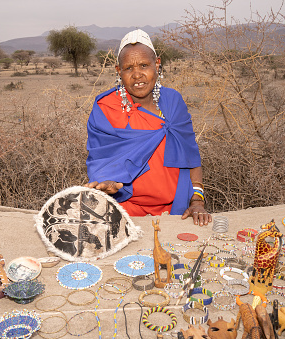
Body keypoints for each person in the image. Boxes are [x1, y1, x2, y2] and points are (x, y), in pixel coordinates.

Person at [85, 29, 212, 226]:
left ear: (157, 64)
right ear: (119, 71)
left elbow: (190, 155)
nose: (137, 75)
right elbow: (100, 159)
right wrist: (108, 181)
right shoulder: (106, 108)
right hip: (125, 212)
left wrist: (197, 201)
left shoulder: (173, 102)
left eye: (144, 65)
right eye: (128, 68)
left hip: (176, 210)